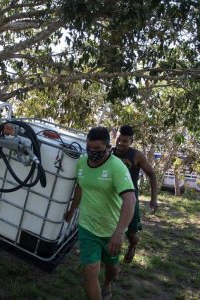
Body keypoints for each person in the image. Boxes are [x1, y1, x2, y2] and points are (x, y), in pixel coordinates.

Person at [64, 126, 136, 300]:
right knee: (90, 270)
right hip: (87, 226)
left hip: (111, 229)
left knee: (112, 269)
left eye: (97, 149)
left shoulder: (117, 167)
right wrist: (72, 210)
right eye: (89, 147)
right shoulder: (82, 162)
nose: (92, 152)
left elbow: (130, 199)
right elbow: (80, 188)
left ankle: (108, 283)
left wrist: (119, 233)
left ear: (108, 148)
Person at [111, 125, 158, 264]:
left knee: (131, 234)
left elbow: (151, 174)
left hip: (129, 200)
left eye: (125, 141)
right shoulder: (109, 152)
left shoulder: (137, 156)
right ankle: (109, 261)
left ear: (131, 141)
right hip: (111, 199)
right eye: (118, 139)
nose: (120, 143)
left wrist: (154, 199)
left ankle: (132, 245)